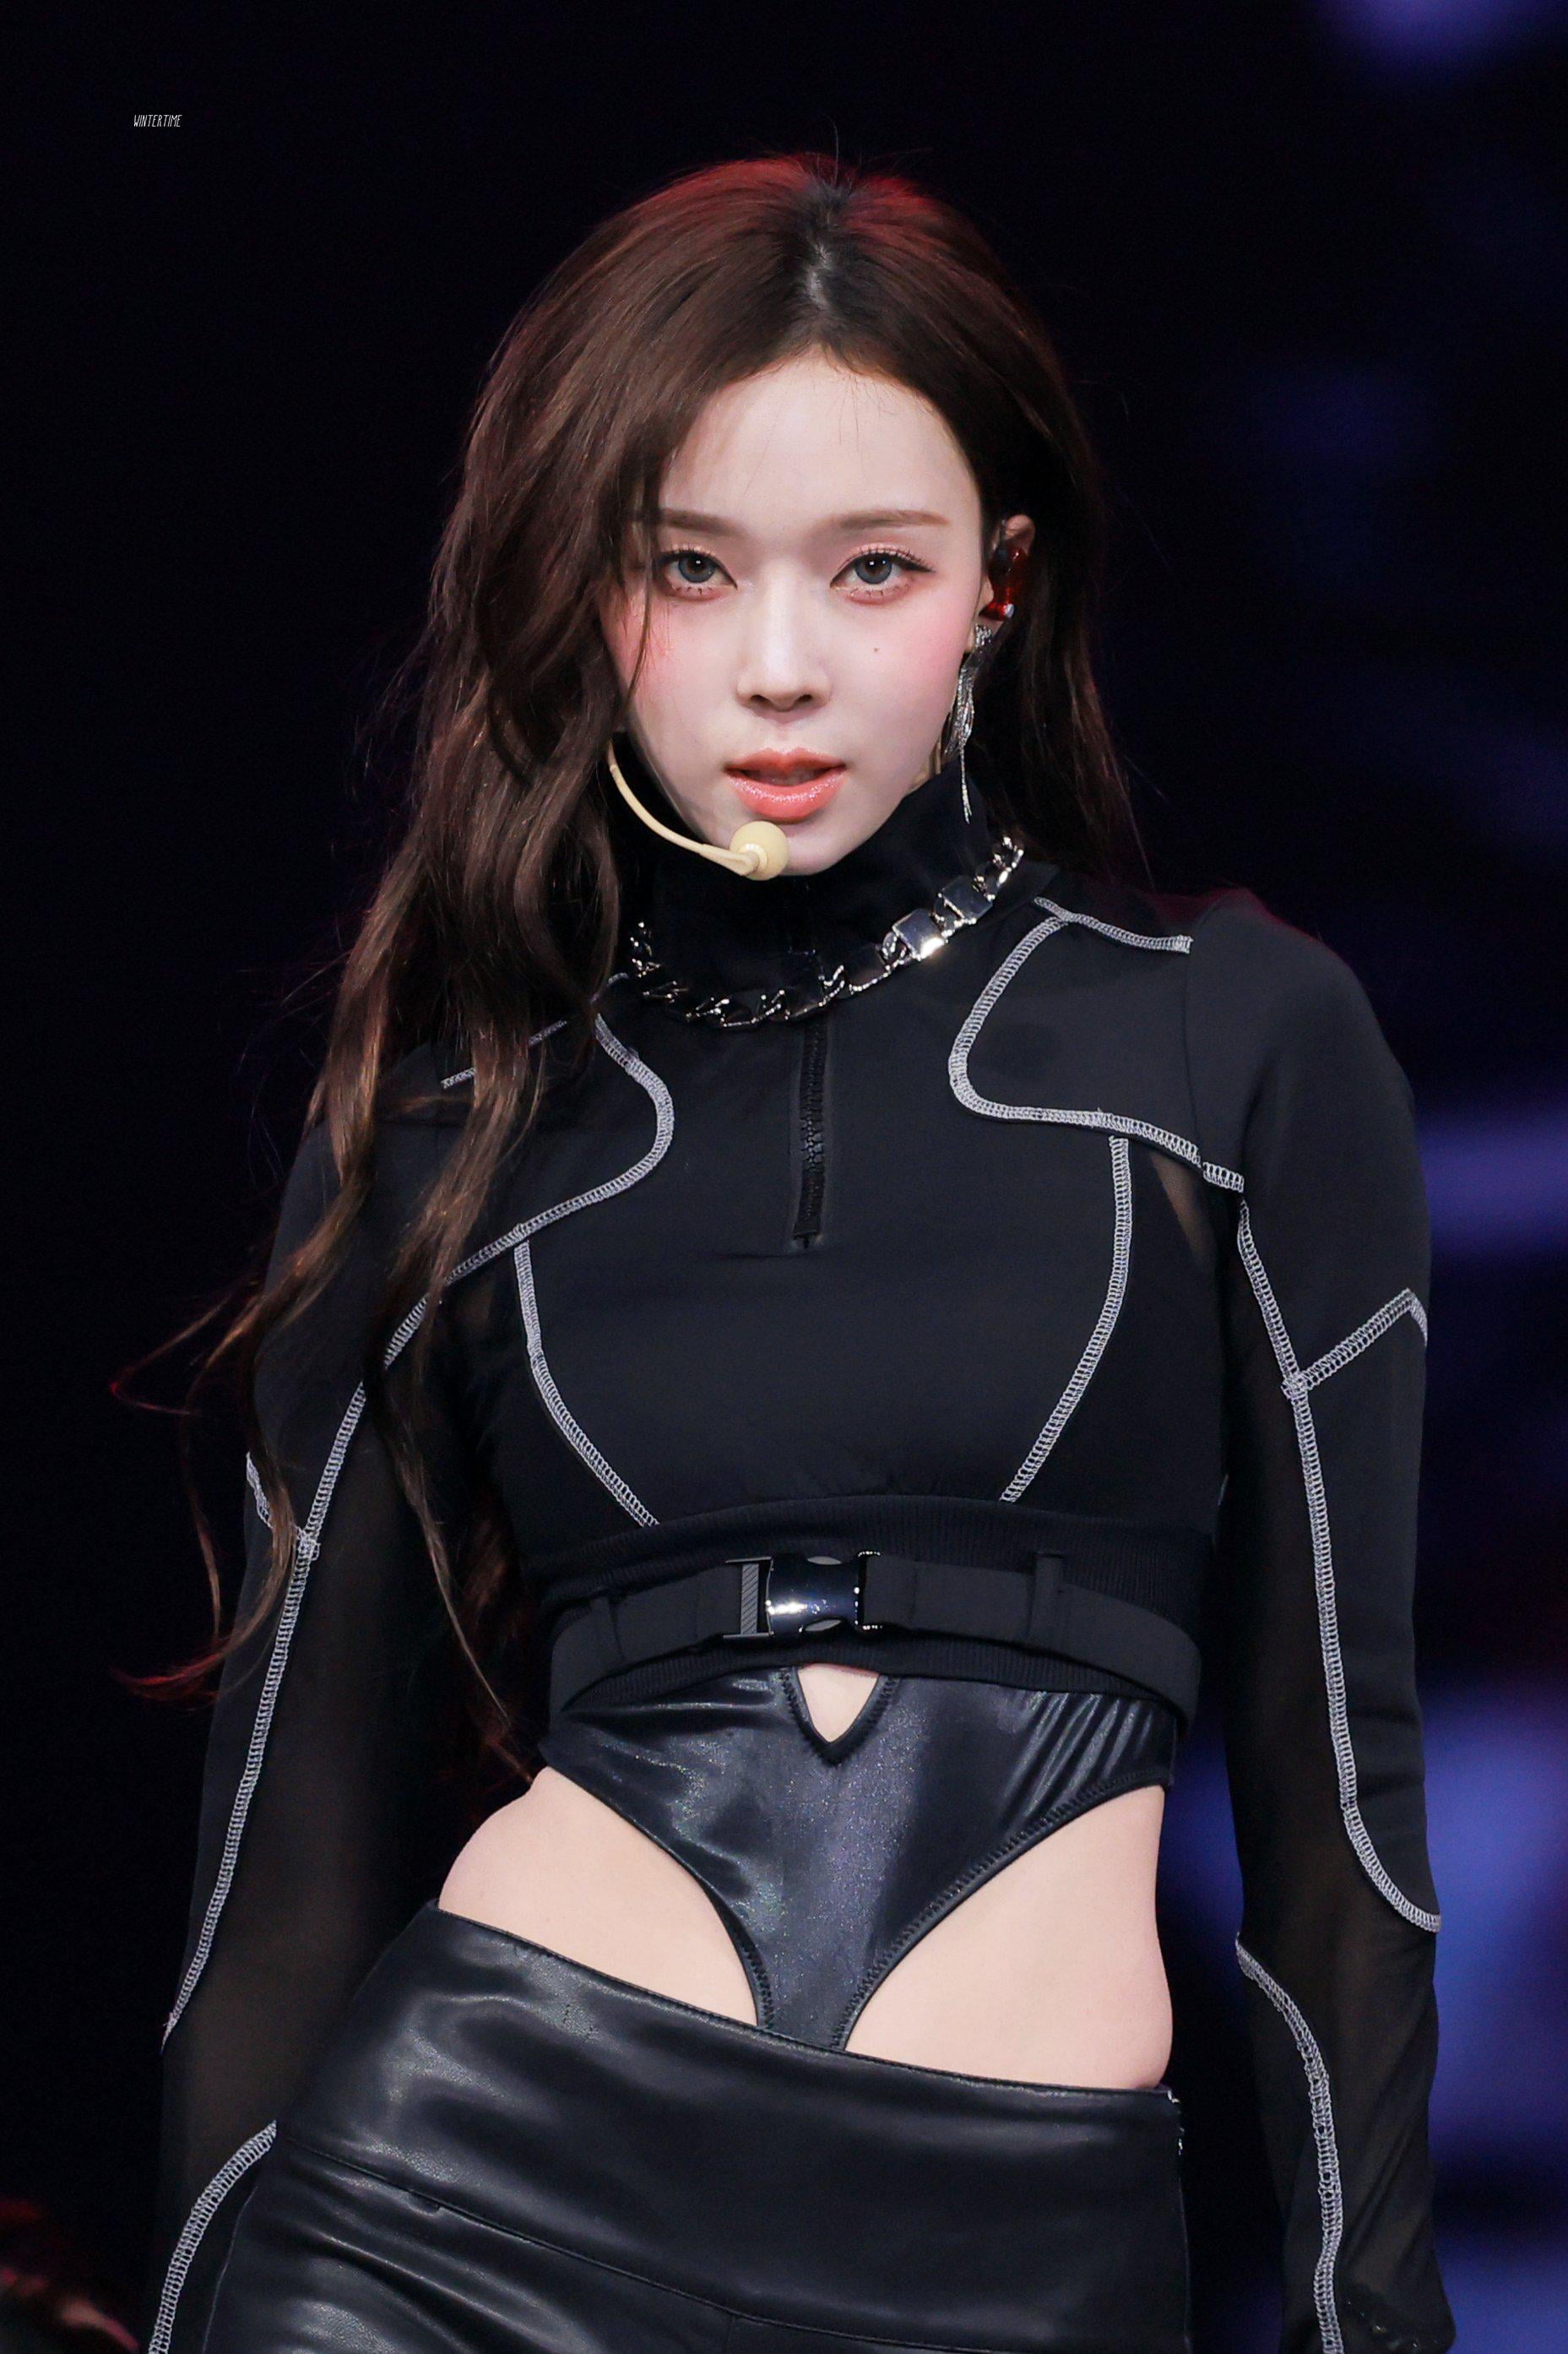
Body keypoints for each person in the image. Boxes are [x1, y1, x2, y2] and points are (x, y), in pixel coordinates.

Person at [142, 153, 1455, 2354]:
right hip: (457, 2225)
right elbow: (282, 1870)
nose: (777, 666)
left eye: (872, 569)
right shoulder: (456, 1120)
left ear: (999, 586)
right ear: (589, 591)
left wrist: (1370, 2325)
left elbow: (1342, 1802)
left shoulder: (1228, 1035)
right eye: (688, 565)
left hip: (1007, 2260)